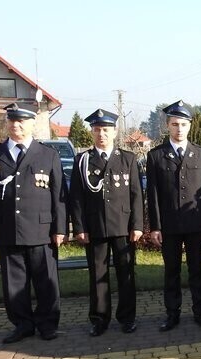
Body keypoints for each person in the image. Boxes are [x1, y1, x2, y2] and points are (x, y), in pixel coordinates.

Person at [0, 103, 66, 343]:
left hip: (41, 230)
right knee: (14, 283)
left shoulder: (48, 154)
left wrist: (60, 228)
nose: (16, 125)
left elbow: (59, 196)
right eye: (12, 120)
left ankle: (47, 324)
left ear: (33, 123)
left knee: (45, 280)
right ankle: (22, 324)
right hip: (7, 229)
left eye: (22, 121)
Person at [68, 109, 144, 336]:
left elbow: (137, 194)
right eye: (97, 129)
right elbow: (76, 197)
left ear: (114, 131)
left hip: (123, 227)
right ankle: (99, 319)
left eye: (106, 130)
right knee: (97, 276)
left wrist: (137, 225)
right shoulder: (82, 160)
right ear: (92, 132)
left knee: (126, 275)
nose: (102, 134)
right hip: (96, 227)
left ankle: (127, 318)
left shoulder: (127, 158)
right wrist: (80, 227)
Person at [147, 100, 201, 331]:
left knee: (197, 270)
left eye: (184, 124)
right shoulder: (156, 156)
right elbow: (153, 194)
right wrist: (155, 227)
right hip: (169, 226)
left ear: (190, 126)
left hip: (196, 224)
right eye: (175, 124)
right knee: (172, 272)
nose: (179, 129)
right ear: (168, 125)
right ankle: (172, 313)